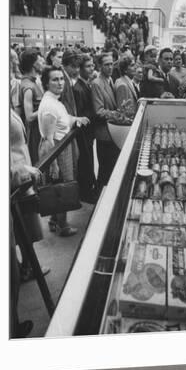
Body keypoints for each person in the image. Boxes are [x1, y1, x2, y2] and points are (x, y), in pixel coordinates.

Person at [10, 108, 50, 337]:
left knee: (26, 229)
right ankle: (10, 327)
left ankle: (26, 267)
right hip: (15, 182)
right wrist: (23, 171)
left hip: (20, 179)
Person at [38, 67, 90, 236]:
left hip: (62, 148)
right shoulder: (49, 106)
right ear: (46, 83)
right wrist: (53, 164)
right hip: (56, 150)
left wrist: (76, 119)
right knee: (63, 187)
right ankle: (63, 226)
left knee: (58, 187)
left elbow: (64, 119)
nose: (60, 83)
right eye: (55, 80)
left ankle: (55, 220)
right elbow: (48, 139)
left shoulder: (55, 101)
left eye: (61, 79)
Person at [91, 53, 121, 191]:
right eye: (106, 64)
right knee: (104, 169)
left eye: (112, 64)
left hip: (112, 132)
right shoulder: (97, 83)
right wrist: (117, 114)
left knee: (110, 167)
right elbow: (99, 111)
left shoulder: (110, 80)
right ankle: (99, 196)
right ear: (99, 66)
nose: (110, 67)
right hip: (104, 133)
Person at [73, 54, 98, 203]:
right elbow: (81, 113)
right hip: (83, 132)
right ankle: (86, 193)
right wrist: (95, 112)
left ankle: (89, 189)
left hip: (89, 132)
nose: (91, 69)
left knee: (89, 161)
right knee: (85, 161)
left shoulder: (86, 84)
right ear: (80, 69)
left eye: (92, 65)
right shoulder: (78, 88)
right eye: (88, 66)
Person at [17, 49, 44, 164]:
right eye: (40, 61)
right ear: (34, 64)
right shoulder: (28, 87)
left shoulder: (32, 83)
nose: (43, 63)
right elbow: (29, 117)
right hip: (36, 134)